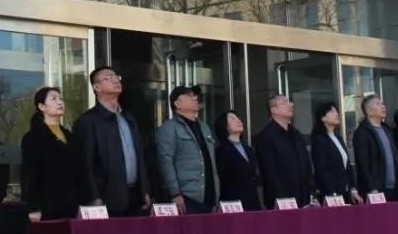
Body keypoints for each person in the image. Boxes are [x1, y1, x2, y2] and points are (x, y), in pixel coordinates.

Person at [72, 66, 151, 216]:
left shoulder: (128, 117)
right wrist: (94, 197)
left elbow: (140, 156)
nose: (115, 80)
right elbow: (85, 165)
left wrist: (145, 190)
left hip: (136, 198)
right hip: (107, 200)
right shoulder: (88, 121)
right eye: (108, 78)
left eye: (116, 77)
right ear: (96, 87)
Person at [156, 85, 218, 215]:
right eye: (190, 96)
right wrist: (175, 193)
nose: (195, 98)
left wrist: (216, 196)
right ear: (177, 103)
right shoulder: (169, 128)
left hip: (209, 198)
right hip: (186, 198)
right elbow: (165, 161)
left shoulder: (204, 127)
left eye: (195, 95)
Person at [20, 87, 77, 221]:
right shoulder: (33, 137)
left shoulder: (70, 136)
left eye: (61, 99)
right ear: (42, 106)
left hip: (71, 204)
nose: (60, 102)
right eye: (54, 99)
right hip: (47, 206)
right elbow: (29, 174)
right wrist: (33, 208)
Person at [255, 94, 314, 208]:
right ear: (273, 110)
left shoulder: (296, 134)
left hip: (304, 198)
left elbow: (306, 164)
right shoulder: (266, 136)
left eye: (290, 102)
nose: (291, 105)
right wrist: (282, 198)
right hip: (281, 201)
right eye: (285, 103)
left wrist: (311, 190)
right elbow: (269, 172)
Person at [310, 102, 360, 204]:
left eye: (336, 111)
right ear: (323, 118)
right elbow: (322, 169)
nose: (336, 114)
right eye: (332, 111)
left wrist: (353, 189)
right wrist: (332, 192)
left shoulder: (339, 138)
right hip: (332, 195)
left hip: (345, 192)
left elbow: (347, 166)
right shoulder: (319, 139)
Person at [352, 94, 398, 200]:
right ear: (368, 111)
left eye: (382, 104)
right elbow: (363, 164)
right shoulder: (362, 132)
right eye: (378, 104)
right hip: (376, 190)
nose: (383, 106)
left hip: (393, 188)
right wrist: (372, 188)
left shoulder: (387, 130)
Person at [213, 109, 261, 211]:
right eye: (232, 118)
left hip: (252, 201)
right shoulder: (221, 151)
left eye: (238, 118)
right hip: (233, 204)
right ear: (225, 126)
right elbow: (219, 180)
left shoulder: (248, 149)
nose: (238, 120)